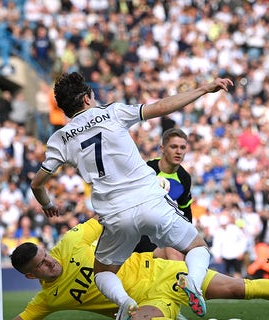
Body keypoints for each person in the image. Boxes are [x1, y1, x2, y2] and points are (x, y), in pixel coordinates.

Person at [30, 72, 234, 318]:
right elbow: (161, 106)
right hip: (149, 200)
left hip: (115, 214)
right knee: (197, 248)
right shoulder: (112, 112)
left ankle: (125, 302)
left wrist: (48, 203)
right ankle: (193, 282)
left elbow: (37, 184)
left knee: (103, 273)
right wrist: (203, 89)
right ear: (86, 98)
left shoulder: (59, 139)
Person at [10, 218, 269, 320]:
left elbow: (104, 217)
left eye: (45, 254)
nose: (49, 262)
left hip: (164, 271)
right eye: (41, 265)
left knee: (240, 287)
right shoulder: (47, 300)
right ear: (31, 276)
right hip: (147, 301)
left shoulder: (71, 243)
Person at [134, 128, 193, 261]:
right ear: (163, 148)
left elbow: (186, 213)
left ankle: (180, 281)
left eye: (182, 147)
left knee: (178, 255)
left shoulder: (184, 178)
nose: (178, 151)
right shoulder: (147, 169)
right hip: (136, 231)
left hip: (159, 234)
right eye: (173, 147)